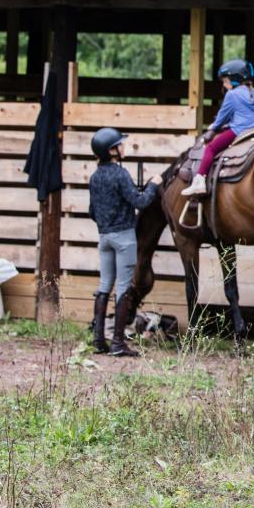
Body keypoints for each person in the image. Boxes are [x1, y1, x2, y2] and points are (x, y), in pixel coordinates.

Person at [88, 127, 160, 357]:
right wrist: (154, 185)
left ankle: (99, 340)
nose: (123, 147)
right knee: (123, 289)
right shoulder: (120, 174)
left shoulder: (95, 176)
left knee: (103, 286)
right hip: (125, 238)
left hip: (104, 237)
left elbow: (92, 211)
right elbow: (141, 202)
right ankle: (118, 343)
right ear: (111, 150)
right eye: (120, 144)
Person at [183, 58, 254, 198]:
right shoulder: (253, 91)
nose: (224, 84)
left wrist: (213, 128)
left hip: (240, 131)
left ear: (234, 80)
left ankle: (199, 181)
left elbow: (221, 117)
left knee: (211, 148)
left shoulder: (232, 95)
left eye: (225, 81)